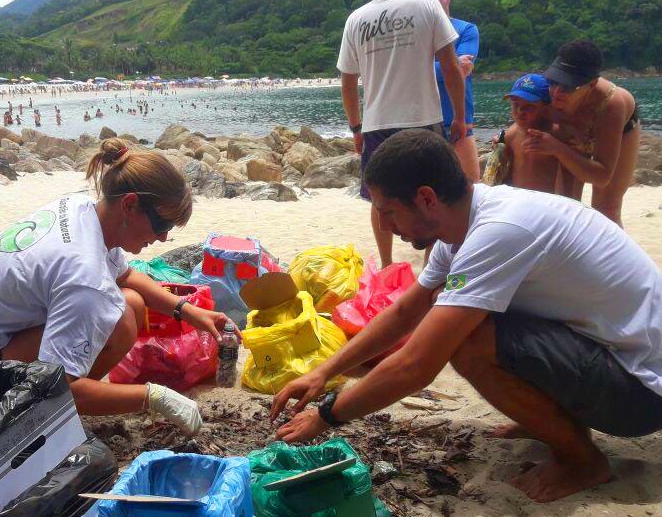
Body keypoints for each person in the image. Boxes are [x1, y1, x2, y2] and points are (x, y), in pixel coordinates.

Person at [271, 130, 662, 503]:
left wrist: (326, 416)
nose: (387, 225)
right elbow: (409, 308)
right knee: (450, 306)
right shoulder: (461, 223)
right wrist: (323, 371)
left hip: (641, 392)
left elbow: (417, 366)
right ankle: (554, 421)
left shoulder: (499, 231)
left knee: (467, 340)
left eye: (389, 212)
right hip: (609, 352)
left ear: (426, 198)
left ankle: (582, 461)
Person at [0, 139, 233, 435]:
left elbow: (125, 276)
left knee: (129, 305)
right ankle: (36, 415)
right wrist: (154, 396)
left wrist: (188, 311)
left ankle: (53, 407)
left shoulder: (83, 210)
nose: (164, 238)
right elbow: (55, 383)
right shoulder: (85, 278)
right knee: (112, 317)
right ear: (130, 205)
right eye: (162, 225)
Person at [337, 0, 466, 269]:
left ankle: (386, 264)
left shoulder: (356, 19)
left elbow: (348, 81)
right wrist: (460, 117)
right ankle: (430, 265)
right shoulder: (427, 5)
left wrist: (356, 127)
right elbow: (451, 66)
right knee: (431, 194)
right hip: (423, 119)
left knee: (378, 195)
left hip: (377, 123)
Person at [526, 41, 640, 227]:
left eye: (568, 86)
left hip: (620, 128)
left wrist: (556, 148)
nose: (557, 92)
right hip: (573, 132)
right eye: (553, 81)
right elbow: (522, 121)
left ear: (592, 84)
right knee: (566, 207)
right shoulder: (549, 91)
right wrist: (503, 138)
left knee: (606, 211)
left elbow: (602, 177)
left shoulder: (612, 105)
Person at [415, 0, 481, 181]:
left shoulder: (466, 30)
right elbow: (453, 69)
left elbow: (462, 71)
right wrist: (451, 65)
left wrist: (425, 69)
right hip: (422, 123)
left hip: (458, 123)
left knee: (471, 190)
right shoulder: (414, 34)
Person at [499, 74, 559, 192]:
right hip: (518, 199)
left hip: (548, 202)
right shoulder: (510, 135)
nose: (520, 111)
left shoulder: (555, 134)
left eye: (529, 106)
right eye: (516, 104)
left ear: (546, 109)